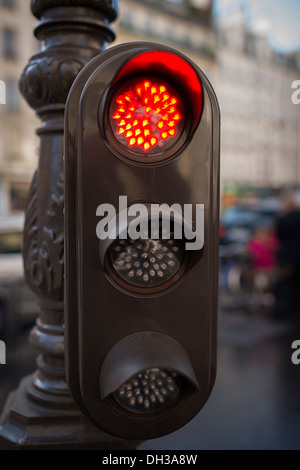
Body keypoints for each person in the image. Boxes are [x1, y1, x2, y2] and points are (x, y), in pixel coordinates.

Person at [273, 192, 300, 320]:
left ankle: (284, 310)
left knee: (284, 284)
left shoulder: (282, 218)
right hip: (296, 255)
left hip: (287, 256)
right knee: (294, 285)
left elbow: (279, 235)